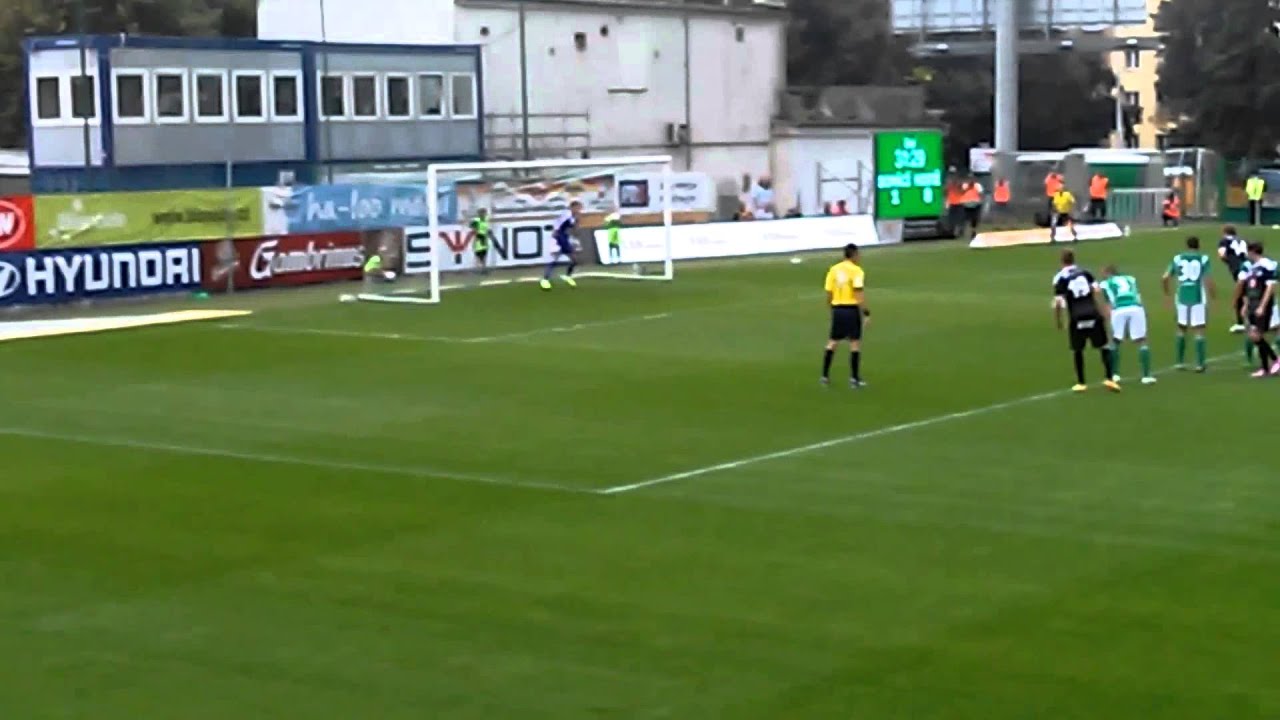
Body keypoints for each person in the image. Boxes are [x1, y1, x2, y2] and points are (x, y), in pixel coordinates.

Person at [1052, 250, 1120, 393]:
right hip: (1093, 314)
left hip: (1077, 316)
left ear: (1062, 261)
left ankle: (1081, 383)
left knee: (1078, 350)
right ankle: (1109, 378)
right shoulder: (1086, 273)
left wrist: (1058, 321)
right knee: (1103, 346)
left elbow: (1058, 302)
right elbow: (1097, 292)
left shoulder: (1059, 278)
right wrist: (1103, 311)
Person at [1162, 236, 1215, 372]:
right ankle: (1200, 364)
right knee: (1199, 329)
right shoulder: (1203, 259)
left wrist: (1167, 294)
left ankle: (1179, 362)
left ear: (1187, 245)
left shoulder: (1178, 258)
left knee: (1181, 328)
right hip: (1197, 296)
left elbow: (1165, 277)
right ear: (1198, 245)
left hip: (1182, 296)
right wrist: (1213, 295)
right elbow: (1208, 279)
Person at [821, 243, 869, 389]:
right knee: (854, 343)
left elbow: (829, 291)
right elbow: (858, 292)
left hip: (837, 309)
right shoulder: (857, 271)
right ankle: (854, 378)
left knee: (833, 342)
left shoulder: (834, 269)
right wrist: (866, 312)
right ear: (854, 255)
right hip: (851, 309)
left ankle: (824, 376)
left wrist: (831, 305)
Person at [1099, 265, 1155, 384]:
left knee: (1115, 341)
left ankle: (1115, 374)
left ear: (1108, 273)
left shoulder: (1105, 283)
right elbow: (1138, 296)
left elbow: (1107, 303)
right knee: (1142, 340)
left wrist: (1106, 318)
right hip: (1135, 307)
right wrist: (1144, 312)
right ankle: (1146, 376)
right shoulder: (1130, 279)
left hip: (1118, 309)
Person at [1233, 242, 1280, 376]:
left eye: (1248, 252)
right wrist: (1246, 305)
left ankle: (1272, 363)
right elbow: (1250, 288)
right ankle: (1268, 366)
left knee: (1257, 335)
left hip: (1262, 305)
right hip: (1253, 303)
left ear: (1253, 251)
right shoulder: (1253, 267)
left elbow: (1270, 287)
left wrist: (1262, 306)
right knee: (1255, 335)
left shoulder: (1267, 265)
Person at [540, 200, 581, 290]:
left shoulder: (573, 217)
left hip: (564, 237)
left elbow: (574, 229)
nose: (579, 210)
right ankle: (545, 280)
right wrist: (555, 233)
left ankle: (567, 276)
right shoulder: (566, 214)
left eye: (579, 208)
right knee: (555, 258)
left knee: (574, 259)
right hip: (558, 237)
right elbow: (557, 223)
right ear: (572, 207)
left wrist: (577, 224)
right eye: (577, 208)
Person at [1218, 225, 1249, 333]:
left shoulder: (1224, 241)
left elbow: (1222, 255)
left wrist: (1230, 262)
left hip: (1237, 269)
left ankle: (1243, 322)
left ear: (1225, 232)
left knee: (1242, 293)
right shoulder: (1242, 240)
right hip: (1248, 266)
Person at [470, 208, 491, 275]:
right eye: (483, 213)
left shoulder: (485, 220)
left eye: (485, 213)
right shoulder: (476, 221)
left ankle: (483, 269)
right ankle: (479, 269)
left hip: (484, 239)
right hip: (479, 238)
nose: (484, 214)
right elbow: (474, 230)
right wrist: (475, 240)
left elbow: (486, 230)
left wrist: (487, 240)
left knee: (484, 255)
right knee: (478, 255)